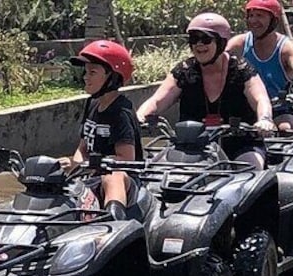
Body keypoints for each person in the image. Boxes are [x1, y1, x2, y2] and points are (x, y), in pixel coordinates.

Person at [136, 12, 276, 170]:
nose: (199, 44)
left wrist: (265, 119)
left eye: (206, 39)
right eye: (194, 39)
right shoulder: (185, 71)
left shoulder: (240, 69)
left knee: (251, 169)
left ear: (222, 43)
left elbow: (260, 99)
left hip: (240, 145)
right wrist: (139, 117)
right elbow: (157, 101)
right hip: (192, 148)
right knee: (154, 172)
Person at [64, 39, 142, 220]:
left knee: (112, 177)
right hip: (91, 174)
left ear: (112, 78)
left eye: (93, 72)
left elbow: (126, 159)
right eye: (86, 71)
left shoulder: (121, 111)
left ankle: (114, 222)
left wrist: (92, 163)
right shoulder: (92, 103)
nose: (85, 77)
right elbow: (83, 147)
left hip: (122, 180)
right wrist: (74, 165)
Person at [227, 0, 293, 131]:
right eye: (251, 16)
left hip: (279, 110)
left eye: (260, 16)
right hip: (243, 110)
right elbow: (217, 60)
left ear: (273, 20)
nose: (253, 20)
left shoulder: (287, 48)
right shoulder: (238, 43)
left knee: (286, 127)